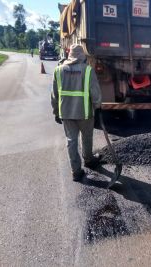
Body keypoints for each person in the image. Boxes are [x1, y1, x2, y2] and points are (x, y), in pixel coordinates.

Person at [51, 44, 102, 181]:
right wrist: (98, 106)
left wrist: (56, 111)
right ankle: (89, 160)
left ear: (70, 55)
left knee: (71, 141)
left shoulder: (58, 70)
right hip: (85, 113)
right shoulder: (88, 71)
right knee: (86, 138)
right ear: (82, 56)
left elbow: (54, 95)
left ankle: (76, 171)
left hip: (66, 113)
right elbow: (95, 92)